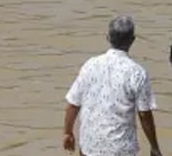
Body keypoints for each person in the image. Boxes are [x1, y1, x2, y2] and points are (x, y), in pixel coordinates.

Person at [64, 16, 162, 156]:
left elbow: (73, 104)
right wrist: (154, 147)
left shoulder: (90, 65)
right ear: (132, 40)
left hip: (89, 148)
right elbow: (144, 114)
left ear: (108, 38)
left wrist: (68, 133)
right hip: (120, 149)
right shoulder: (137, 73)